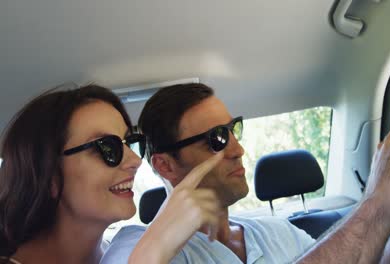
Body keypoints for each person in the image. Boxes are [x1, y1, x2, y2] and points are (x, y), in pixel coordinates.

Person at [101, 83, 390, 263]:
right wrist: (376, 202)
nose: (237, 148)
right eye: (217, 139)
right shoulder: (137, 247)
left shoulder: (277, 232)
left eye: (233, 129)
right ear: (165, 165)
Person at [0, 84, 223, 264]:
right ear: (49, 175)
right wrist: (151, 251)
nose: (135, 161)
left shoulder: (119, 253)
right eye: (107, 147)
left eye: (131, 143)